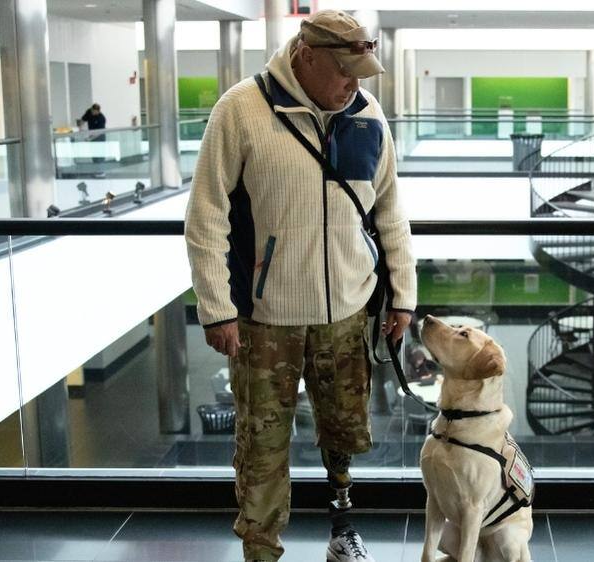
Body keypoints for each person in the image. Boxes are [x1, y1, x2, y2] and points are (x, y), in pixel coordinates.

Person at [184, 10, 416, 562]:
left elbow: (390, 211)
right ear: (306, 56)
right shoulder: (242, 109)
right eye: (344, 71)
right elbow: (206, 217)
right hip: (265, 321)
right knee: (262, 449)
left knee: (343, 430)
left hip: (347, 312)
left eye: (362, 72)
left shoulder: (366, 113)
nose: (354, 85)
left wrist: (402, 295)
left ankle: (342, 520)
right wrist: (217, 308)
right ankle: (261, 549)